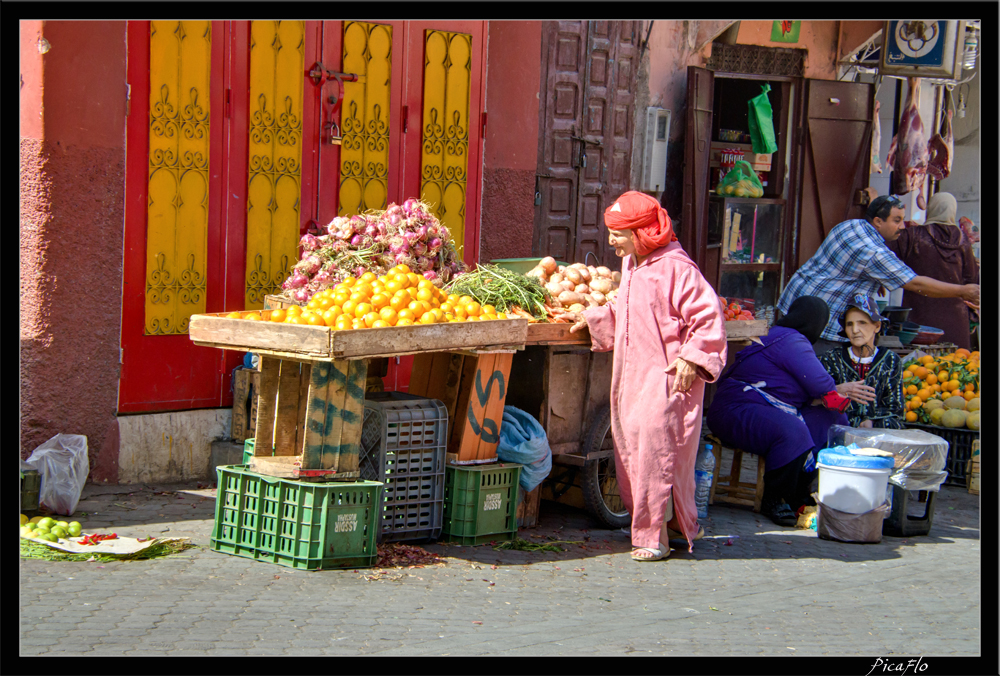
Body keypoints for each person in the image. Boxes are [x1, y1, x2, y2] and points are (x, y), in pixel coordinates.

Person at [568, 191, 728, 561]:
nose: (611, 241)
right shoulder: (634, 264)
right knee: (635, 453)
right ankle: (671, 526)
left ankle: (653, 538)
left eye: (618, 233)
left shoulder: (678, 268)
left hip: (669, 376)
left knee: (658, 453)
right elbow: (628, 307)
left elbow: (708, 318)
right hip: (635, 375)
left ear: (642, 231)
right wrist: (594, 318)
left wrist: (692, 357)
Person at [704, 296, 873, 527]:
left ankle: (800, 493)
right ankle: (775, 498)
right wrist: (837, 388)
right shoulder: (790, 339)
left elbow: (813, 390)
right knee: (792, 430)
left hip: (764, 408)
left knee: (832, 419)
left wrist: (833, 392)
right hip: (734, 411)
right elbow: (820, 384)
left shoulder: (785, 336)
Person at [776, 195, 981, 356]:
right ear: (877, 221)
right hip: (821, 324)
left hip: (795, 306)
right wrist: (963, 290)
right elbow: (914, 283)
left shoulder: (850, 225)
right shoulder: (873, 252)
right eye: (897, 220)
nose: (902, 226)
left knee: (784, 361)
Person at [886, 192, 979, 350]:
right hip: (955, 318)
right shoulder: (963, 239)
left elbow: (885, 260)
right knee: (956, 366)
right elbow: (972, 277)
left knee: (918, 366)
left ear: (931, 208)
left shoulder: (912, 235)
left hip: (919, 315)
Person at [820, 294, 905, 430]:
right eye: (849, 324)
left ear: (877, 326)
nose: (855, 330)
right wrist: (838, 391)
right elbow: (818, 401)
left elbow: (895, 412)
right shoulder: (831, 359)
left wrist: (871, 424)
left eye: (862, 323)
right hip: (838, 435)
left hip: (877, 438)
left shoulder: (891, 360)